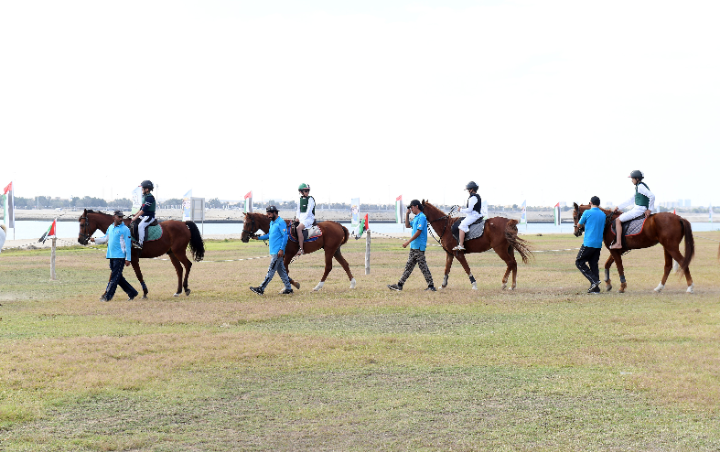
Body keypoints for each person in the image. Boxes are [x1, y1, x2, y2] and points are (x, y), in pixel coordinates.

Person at [90, 210, 138, 302]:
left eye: (121, 217)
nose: (121, 219)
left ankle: (108, 297)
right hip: (111, 255)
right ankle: (132, 292)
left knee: (114, 278)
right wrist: (95, 240)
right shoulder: (111, 227)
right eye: (119, 217)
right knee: (118, 277)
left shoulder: (125, 229)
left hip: (120, 257)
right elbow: (105, 238)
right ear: (114, 217)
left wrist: (128, 258)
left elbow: (128, 245)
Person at [388, 199, 436, 292]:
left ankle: (431, 286)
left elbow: (419, 231)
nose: (411, 209)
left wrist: (407, 241)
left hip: (418, 246)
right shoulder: (416, 217)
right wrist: (407, 214)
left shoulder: (422, 217)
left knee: (423, 267)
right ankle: (399, 285)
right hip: (414, 246)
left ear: (416, 206)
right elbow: (407, 225)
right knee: (409, 267)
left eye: (412, 207)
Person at [250, 205, 293, 295]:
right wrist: (258, 238)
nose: (268, 216)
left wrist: (281, 249)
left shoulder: (281, 222)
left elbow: (285, 236)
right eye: (267, 214)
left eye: (269, 214)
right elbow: (269, 235)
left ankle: (261, 288)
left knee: (271, 270)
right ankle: (288, 288)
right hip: (273, 251)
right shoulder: (272, 223)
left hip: (278, 252)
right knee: (281, 271)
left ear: (274, 213)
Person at [610, 170, 655, 249]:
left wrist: (650, 209)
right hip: (639, 209)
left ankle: (618, 243)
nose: (631, 180)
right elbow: (630, 200)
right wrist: (619, 207)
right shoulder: (640, 186)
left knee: (617, 220)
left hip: (638, 210)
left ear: (637, 179)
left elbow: (652, 196)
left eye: (632, 179)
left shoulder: (640, 187)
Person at [576, 196, 606, 293]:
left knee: (579, 262)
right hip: (598, 244)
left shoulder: (587, 212)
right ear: (599, 204)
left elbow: (579, 225)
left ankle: (594, 281)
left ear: (590, 203)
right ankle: (596, 289)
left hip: (588, 242)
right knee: (593, 265)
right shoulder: (603, 214)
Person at [452, 181, 482, 251]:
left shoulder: (472, 198)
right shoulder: (476, 196)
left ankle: (461, 245)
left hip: (474, 215)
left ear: (472, 189)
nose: (468, 191)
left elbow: (469, 210)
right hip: (473, 214)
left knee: (462, 226)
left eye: (468, 189)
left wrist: (461, 210)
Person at [131, 180, 156, 250]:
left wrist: (135, 217)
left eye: (142, 188)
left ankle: (140, 243)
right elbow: (141, 208)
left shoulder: (150, 198)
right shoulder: (145, 196)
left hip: (149, 217)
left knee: (141, 226)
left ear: (147, 189)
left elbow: (144, 209)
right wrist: (135, 214)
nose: (141, 190)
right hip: (143, 216)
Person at [295, 183, 315, 256]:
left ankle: (301, 249)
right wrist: (297, 218)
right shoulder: (299, 200)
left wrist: (301, 220)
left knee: (298, 228)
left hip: (309, 219)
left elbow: (309, 211)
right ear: (301, 192)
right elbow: (298, 210)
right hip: (301, 219)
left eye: (308, 191)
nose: (307, 192)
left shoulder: (310, 199)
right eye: (305, 191)